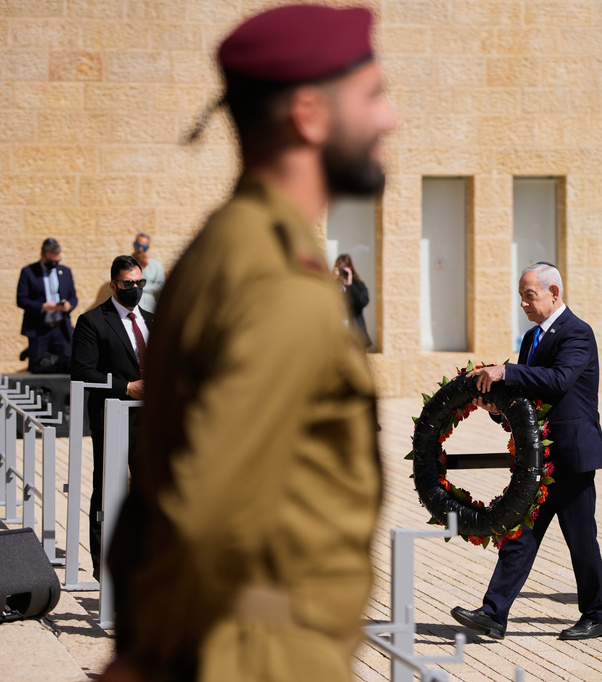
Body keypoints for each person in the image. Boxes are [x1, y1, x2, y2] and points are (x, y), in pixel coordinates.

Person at [101, 6, 394, 681]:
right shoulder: (280, 285)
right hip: (261, 658)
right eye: (373, 95)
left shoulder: (221, 247)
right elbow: (206, 512)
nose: (390, 119)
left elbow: (154, 485)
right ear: (310, 115)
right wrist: (145, 662)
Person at [451, 262, 602, 641]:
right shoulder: (531, 338)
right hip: (539, 455)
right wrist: (497, 409)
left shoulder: (577, 333)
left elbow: (558, 381)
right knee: (521, 532)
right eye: (521, 295)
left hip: (572, 454)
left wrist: (506, 373)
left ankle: (597, 614)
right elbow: (529, 398)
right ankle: (493, 613)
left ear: (554, 293)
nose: (523, 302)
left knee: (580, 538)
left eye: (530, 295)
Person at [70, 255, 151, 576]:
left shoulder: (154, 321)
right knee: (109, 490)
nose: (135, 289)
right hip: (114, 418)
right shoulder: (93, 322)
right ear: (114, 285)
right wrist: (127, 387)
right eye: (128, 284)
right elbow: (81, 372)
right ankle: (104, 570)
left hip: (152, 421)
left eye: (139, 283)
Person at [17, 238, 78, 373]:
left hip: (61, 329)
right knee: (38, 367)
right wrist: (42, 307)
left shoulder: (65, 272)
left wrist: (69, 305)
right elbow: (21, 299)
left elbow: (73, 297)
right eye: (51, 261)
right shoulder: (28, 272)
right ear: (42, 256)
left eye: (57, 261)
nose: (54, 264)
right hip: (39, 329)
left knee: (65, 368)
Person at [333, 253, 371, 347]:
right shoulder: (332, 285)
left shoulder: (358, 284)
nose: (343, 272)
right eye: (340, 268)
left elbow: (363, 302)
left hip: (355, 334)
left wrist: (350, 285)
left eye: (345, 268)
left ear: (350, 268)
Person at [133, 232, 166, 313]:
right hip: (132, 311)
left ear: (148, 248)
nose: (140, 249)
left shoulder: (156, 265)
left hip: (150, 310)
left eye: (144, 247)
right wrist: (142, 267)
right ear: (134, 245)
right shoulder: (126, 264)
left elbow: (161, 286)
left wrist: (140, 287)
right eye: (138, 245)